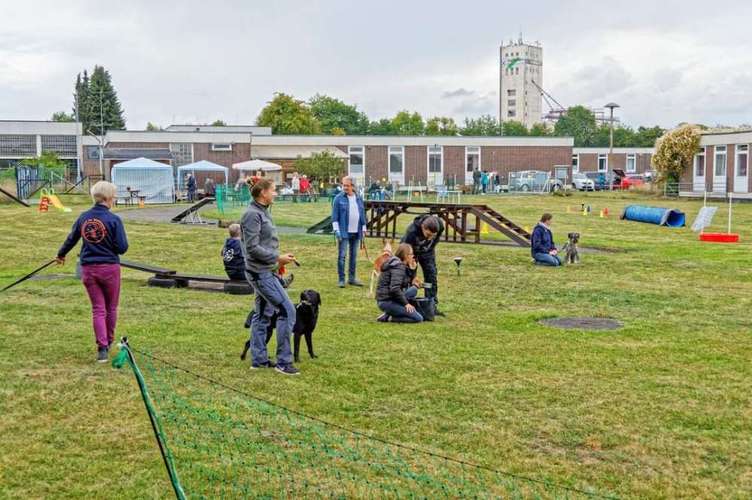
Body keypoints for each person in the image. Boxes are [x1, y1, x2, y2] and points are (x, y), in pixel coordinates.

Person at [56, 181, 129, 363]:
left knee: (98, 308)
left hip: (88, 269)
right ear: (109, 198)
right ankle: (109, 341)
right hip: (109, 268)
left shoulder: (83, 217)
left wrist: (61, 254)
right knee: (111, 307)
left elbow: (71, 238)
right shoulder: (114, 220)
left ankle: (102, 348)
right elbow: (122, 247)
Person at [241, 178, 299, 375]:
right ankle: (284, 362)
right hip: (260, 273)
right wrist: (277, 257)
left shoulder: (262, 212)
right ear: (263, 193)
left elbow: (264, 244)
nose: (276, 193)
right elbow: (252, 248)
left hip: (267, 269)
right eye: (274, 190)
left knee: (263, 315)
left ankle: (259, 360)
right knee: (287, 311)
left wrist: (278, 262)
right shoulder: (252, 215)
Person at [401, 214, 445, 316]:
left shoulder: (440, 226)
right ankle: (406, 303)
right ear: (422, 228)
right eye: (428, 235)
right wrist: (412, 266)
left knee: (431, 274)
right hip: (411, 251)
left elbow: (436, 240)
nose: (430, 238)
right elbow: (405, 249)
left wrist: (429, 247)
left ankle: (431, 305)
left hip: (428, 251)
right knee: (408, 276)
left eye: (432, 236)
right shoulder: (411, 232)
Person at [331, 176, 367, 288]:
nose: (345, 187)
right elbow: (334, 217)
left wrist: (364, 227)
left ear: (353, 186)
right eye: (344, 185)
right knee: (342, 256)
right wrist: (336, 230)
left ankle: (352, 278)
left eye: (347, 185)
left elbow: (362, 214)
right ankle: (341, 279)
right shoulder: (338, 198)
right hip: (343, 232)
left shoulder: (359, 198)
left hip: (356, 231)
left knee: (353, 256)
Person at [375, 243, 423, 323]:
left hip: (389, 298)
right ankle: (390, 317)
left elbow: (406, 283)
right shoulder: (398, 267)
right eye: (411, 254)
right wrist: (406, 304)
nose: (413, 256)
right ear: (405, 256)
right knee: (418, 318)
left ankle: (388, 314)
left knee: (413, 290)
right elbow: (394, 289)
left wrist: (412, 270)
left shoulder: (398, 264)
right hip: (387, 301)